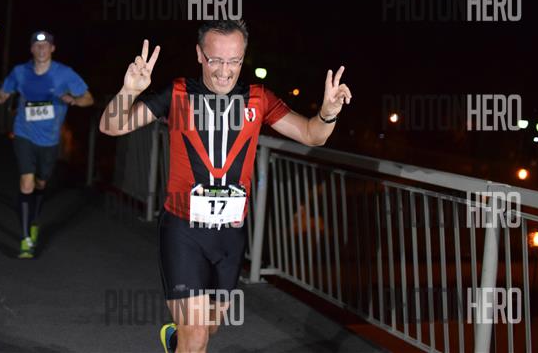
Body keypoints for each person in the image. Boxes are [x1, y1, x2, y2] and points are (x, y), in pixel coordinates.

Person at [98, 20, 352, 353]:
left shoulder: (258, 99)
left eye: (233, 61)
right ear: (199, 55)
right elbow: (112, 126)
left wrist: (328, 113)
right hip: (183, 230)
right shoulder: (178, 94)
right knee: (197, 337)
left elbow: (311, 135)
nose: (224, 71)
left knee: (210, 325)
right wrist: (129, 90)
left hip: (230, 235)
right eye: (215, 59)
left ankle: (175, 339)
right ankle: (185, 339)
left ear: (243, 58)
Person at [0, 31, 94, 259]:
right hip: (24, 133)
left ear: (52, 49)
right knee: (26, 183)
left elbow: (89, 99)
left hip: (49, 140)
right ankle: (26, 239)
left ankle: (33, 216)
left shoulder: (64, 73)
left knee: (40, 183)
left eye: (46, 46)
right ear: (31, 49)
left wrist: (73, 99)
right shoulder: (20, 72)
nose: (41, 49)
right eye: (37, 45)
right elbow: (5, 90)